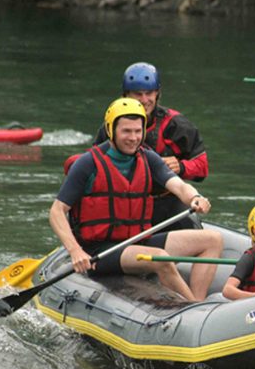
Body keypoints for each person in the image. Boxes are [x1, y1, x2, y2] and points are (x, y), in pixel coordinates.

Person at [50, 97, 223, 302]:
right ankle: (194, 308)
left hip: (137, 239)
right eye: (126, 131)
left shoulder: (148, 157)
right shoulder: (88, 164)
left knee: (213, 240)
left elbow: (178, 185)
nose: (133, 138)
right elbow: (57, 211)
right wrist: (75, 251)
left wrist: (195, 197)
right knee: (162, 259)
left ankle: (198, 300)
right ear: (111, 130)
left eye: (137, 131)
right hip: (101, 252)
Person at [93, 62, 209, 231]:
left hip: (167, 201)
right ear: (125, 96)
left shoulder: (177, 125)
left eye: (149, 93)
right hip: (126, 203)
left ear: (157, 93)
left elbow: (202, 167)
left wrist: (181, 167)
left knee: (196, 236)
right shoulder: (110, 127)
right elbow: (94, 167)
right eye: (137, 94)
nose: (144, 100)